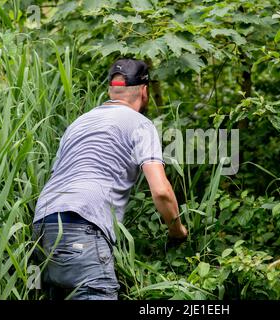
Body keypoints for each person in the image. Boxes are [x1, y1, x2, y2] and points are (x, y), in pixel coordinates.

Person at [32, 58, 188, 300]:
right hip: (83, 225)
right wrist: (177, 230)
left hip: (42, 227)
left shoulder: (78, 124)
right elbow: (161, 191)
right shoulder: (140, 124)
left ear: (110, 91)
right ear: (144, 92)